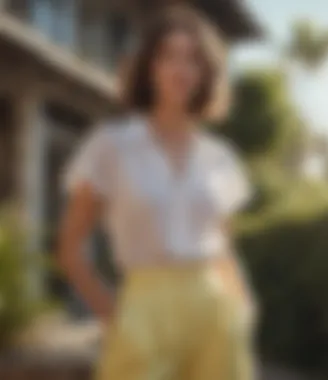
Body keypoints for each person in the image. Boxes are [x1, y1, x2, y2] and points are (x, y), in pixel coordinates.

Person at [57, 6, 258, 380]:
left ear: (206, 73)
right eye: (169, 56)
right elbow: (70, 248)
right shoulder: (110, 146)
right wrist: (111, 314)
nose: (181, 69)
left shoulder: (221, 158)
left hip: (215, 310)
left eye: (194, 59)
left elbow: (224, 249)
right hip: (142, 306)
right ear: (149, 67)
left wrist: (243, 309)